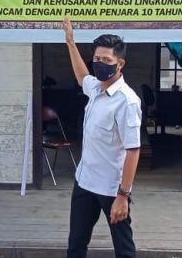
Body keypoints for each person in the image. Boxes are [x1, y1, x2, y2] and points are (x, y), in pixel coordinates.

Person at [62, 17, 141, 258]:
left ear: (120, 64)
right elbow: (81, 76)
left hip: (111, 188)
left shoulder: (127, 101)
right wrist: (70, 43)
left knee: (124, 250)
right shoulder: (96, 88)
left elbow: (133, 150)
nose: (100, 64)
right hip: (85, 181)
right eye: (97, 59)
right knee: (76, 244)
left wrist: (123, 196)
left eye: (107, 60)